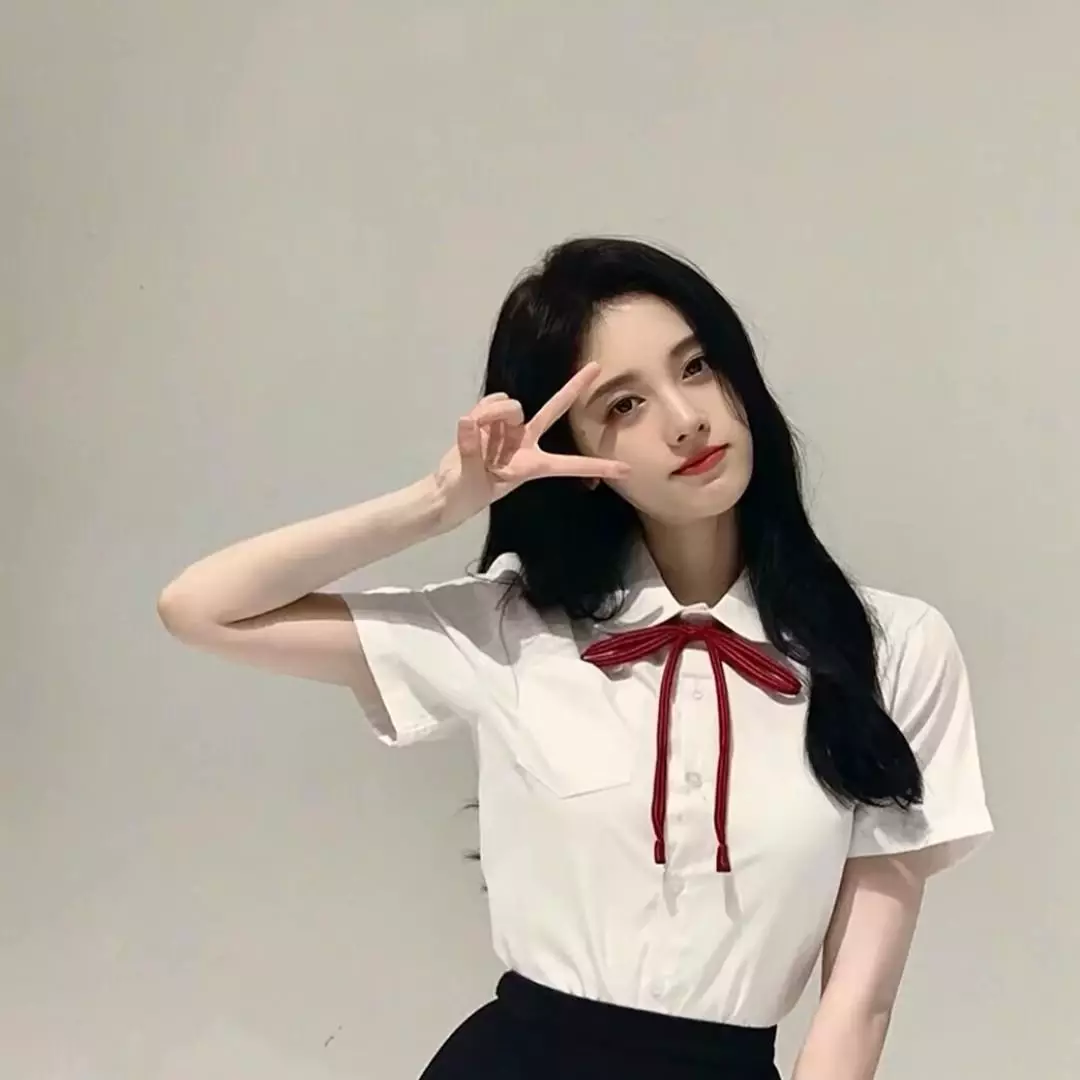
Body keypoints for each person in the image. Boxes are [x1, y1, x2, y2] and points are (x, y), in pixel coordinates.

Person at [157, 237, 993, 1079]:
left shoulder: (894, 649)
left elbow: (858, 1004)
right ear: (580, 459)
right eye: (624, 405)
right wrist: (439, 503)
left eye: (697, 367)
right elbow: (202, 609)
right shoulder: (510, 627)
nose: (685, 419)